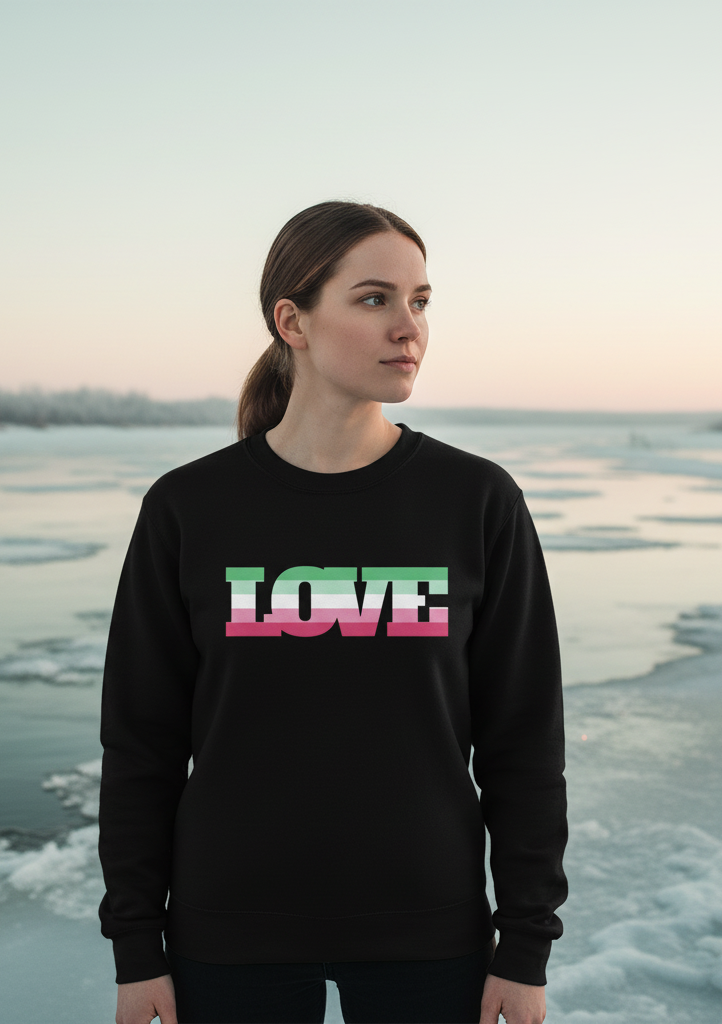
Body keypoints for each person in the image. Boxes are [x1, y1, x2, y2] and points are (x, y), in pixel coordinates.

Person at [98, 200, 568, 1024]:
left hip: (430, 933)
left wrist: (525, 942)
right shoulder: (189, 507)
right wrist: (137, 945)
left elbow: (522, 740)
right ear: (294, 321)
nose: (408, 328)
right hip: (228, 933)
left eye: (421, 301)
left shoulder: (474, 500)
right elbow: (141, 744)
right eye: (375, 298)